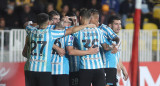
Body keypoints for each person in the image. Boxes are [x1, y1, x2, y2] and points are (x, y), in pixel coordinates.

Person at [22, 13, 96, 86]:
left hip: (29, 69)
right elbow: (71, 30)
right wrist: (87, 25)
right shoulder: (51, 33)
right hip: (44, 70)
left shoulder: (30, 31)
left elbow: (26, 24)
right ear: (48, 22)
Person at [72, 9, 113, 86]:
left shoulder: (77, 32)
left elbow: (70, 31)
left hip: (85, 68)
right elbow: (106, 47)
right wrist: (112, 47)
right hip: (99, 68)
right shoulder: (98, 31)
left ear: (80, 18)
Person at [102, 15, 128, 86]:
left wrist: (123, 68)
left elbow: (117, 57)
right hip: (106, 69)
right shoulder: (105, 37)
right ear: (110, 26)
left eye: (120, 24)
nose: (119, 26)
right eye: (116, 24)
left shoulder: (118, 39)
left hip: (114, 72)